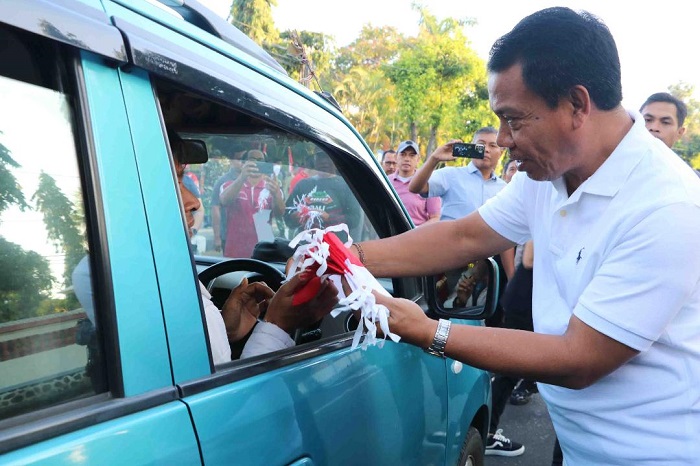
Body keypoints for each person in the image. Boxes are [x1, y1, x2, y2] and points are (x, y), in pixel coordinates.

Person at [342, 7, 700, 465]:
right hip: (576, 444)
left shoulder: (667, 206)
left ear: (576, 104)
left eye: (514, 119)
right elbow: (463, 238)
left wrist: (427, 330)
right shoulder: (545, 176)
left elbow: (578, 357)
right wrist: (349, 255)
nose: (504, 140)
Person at [219, 149, 285, 258]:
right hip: (235, 249)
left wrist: (276, 194)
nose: (256, 163)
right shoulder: (229, 185)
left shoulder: (272, 187)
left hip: (263, 250)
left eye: (260, 160)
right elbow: (224, 201)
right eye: (252, 160)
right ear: (243, 164)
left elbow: (280, 214)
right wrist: (242, 178)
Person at [285, 149, 361, 238]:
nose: (324, 162)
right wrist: (295, 217)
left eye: (328, 158)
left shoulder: (345, 186)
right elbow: (287, 217)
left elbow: (355, 219)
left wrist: (328, 217)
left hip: (335, 247)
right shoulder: (303, 185)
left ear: (336, 162)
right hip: (305, 246)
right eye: (320, 158)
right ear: (315, 161)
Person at [389, 140, 441, 227]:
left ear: (418, 159)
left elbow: (435, 218)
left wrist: (415, 231)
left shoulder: (427, 183)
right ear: (396, 157)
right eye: (403, 154)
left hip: (417, 236)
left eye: (412, 156)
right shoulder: (387, 181)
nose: (407, 159)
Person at [211, 145, 247, 253]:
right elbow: (215, 209)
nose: (242, 162)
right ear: (231, 161)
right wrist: (217, 237)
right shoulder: (222, 182)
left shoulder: (255, 179)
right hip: (228, 236)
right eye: (238, 159)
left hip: (252, 237)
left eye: (244, 159)